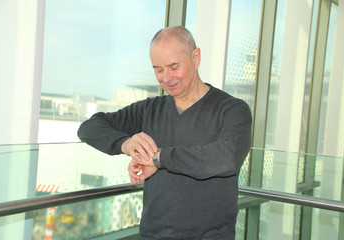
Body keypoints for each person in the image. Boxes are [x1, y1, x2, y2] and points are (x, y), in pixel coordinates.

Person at [77, 26, 252, 240]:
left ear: (195, 57)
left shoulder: (232, 109)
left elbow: (226, 158)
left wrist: (158, 158)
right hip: (153, 235)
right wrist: (126, 144)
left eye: (173, 67)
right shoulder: (149, 109)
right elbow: (89, 128)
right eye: (158, 69)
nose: (166, 78)